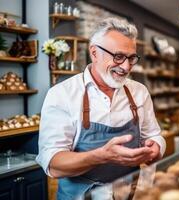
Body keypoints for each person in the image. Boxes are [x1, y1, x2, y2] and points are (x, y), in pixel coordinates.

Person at [36, 17, 166, 199]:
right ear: (94, 53)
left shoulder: (139, 91)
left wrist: (156, 147)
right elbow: (54, 164)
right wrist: (102, 156)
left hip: (132, 193)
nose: (126, 66)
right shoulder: (62, 94)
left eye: (131, 58)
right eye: (119, 56)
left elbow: (153, 135)